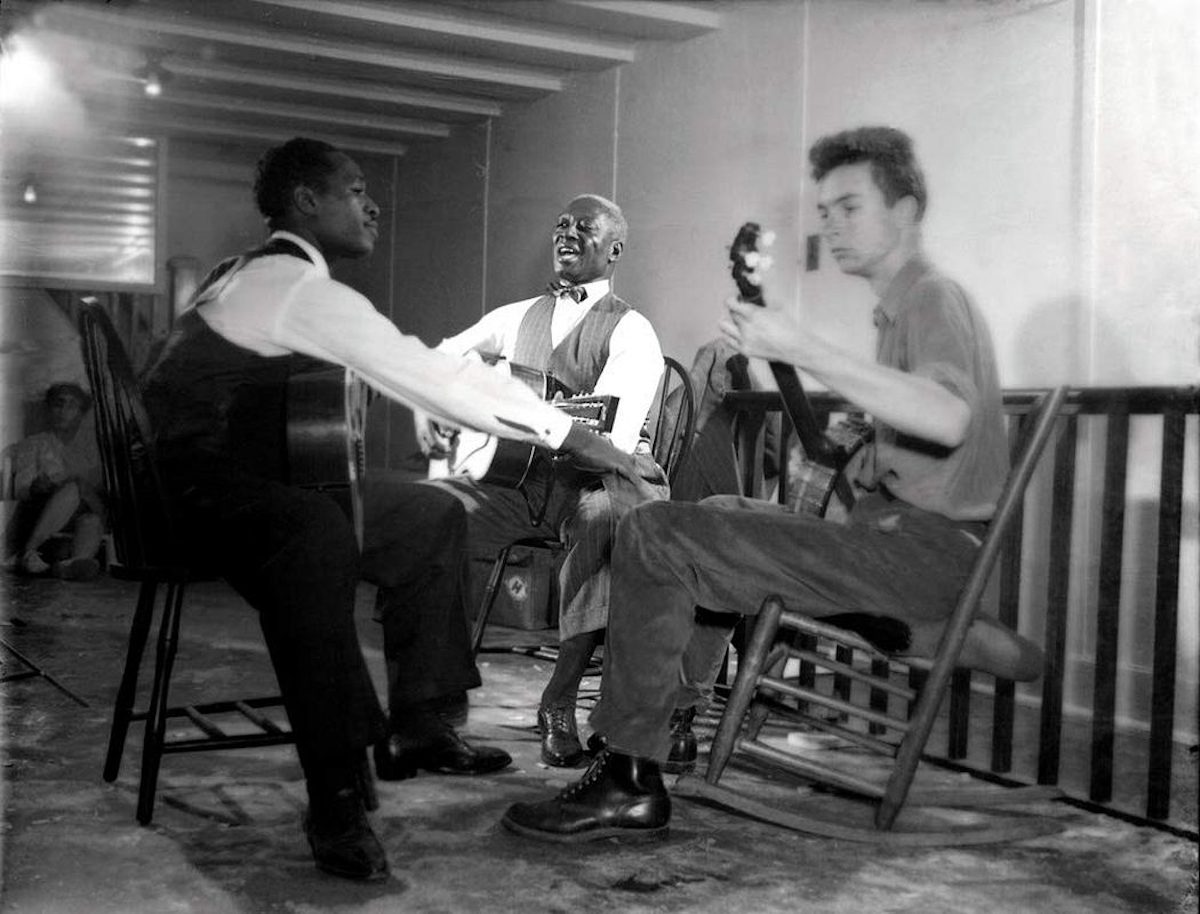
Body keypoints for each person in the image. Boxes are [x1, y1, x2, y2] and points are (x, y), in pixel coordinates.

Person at [500, 125, 1045, 843]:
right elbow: (861, 441)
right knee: (716, 511)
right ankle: (665, 725)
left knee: (657, 532)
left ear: (907, 210)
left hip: (914, 556)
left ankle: (630, 771)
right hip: (894, 546)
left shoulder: (932, 298)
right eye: (826, 211)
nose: (833, 225)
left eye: (850, 207)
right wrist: (803, 381)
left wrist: (798, 346)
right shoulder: (902, 313)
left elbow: (947, 418)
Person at [139, 138, 648, 881]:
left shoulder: (258, 280)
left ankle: (420, 723)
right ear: (306, 202)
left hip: (247, 488)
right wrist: (574, 436)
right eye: (353, 190)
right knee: (313, 536)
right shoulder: (290, 286)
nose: (372, 203)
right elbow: (425, 368)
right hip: (194, 502)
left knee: (429, 512)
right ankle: (336, 793)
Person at [369, 193, 668, 778]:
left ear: (615, 249)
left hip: (593, 480)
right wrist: (441, 405)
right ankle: (425, 713)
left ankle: (558, 703)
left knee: (604, 520)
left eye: (585, 227)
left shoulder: (633, 331)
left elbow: (607, 432)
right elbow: (440, 359)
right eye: (561, 224)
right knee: (431, 513)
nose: (568, 232)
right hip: (515, 481)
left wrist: (514, 409)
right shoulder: (515, 316)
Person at [3, 382, 106, 581]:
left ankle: (70, 566)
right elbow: (23, 487)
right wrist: (37, 486)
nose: (63, 411)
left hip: (82, 511)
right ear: (49, 410)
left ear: (80, 413)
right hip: (41, 510)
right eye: (58, 404)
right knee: (74, 487)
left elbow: (98, 489)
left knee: (91, 520)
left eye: (71, 406)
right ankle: (29, 552)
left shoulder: (90, 448)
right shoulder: (35, 444)